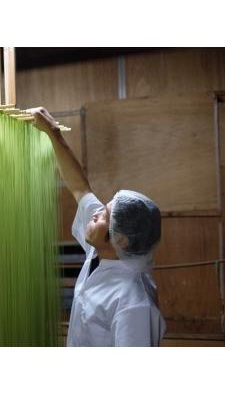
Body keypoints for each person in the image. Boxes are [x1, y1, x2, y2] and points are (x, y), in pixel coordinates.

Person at [27, 107, 166, 347]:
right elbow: (81, 189)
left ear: (121, 239)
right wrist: (53, 133)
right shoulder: (102, 253)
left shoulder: (133, 303)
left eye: (104, 215)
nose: (96, 212)